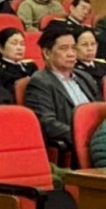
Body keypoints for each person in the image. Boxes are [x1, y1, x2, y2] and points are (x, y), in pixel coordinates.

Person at [24, 24, 103, 153]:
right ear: (47, 53)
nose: (71, 54)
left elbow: (100, 109)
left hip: (99, 140)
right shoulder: (40, 82)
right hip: (77, 146)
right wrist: (82, 137)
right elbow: (48, 124)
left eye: (74, 48)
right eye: (64, 48)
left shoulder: (85, 77)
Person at [0, 27, 38, 95]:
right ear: (0, 48)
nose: (19, 48)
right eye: (14, 44)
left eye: (22, 44)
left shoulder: (31, 66)